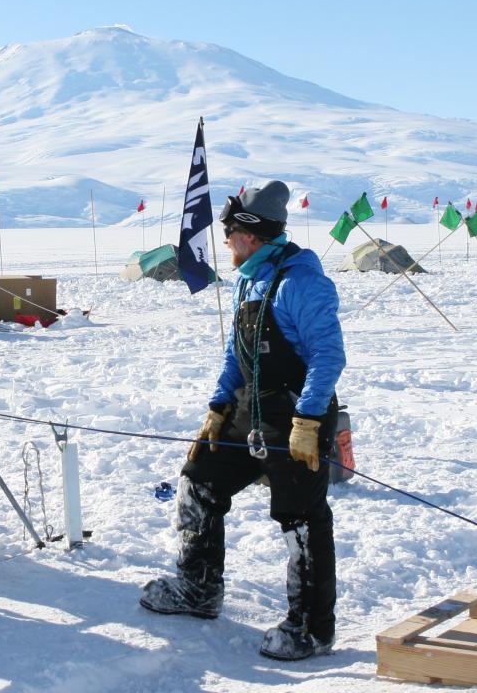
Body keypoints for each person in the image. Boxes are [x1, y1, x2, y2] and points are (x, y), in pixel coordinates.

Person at [139, 180, 344, 661]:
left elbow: (327, 356)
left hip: (295, 414)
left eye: (229, 232)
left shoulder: (302, 282)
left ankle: (312, 628)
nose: (225, 241)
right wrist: (217, 408)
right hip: (247, 408)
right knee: (199, 481)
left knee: (301, 519)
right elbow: (238, 353)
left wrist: (309, 419)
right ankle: (198, 588)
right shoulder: (248, 278)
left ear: (250, 234)